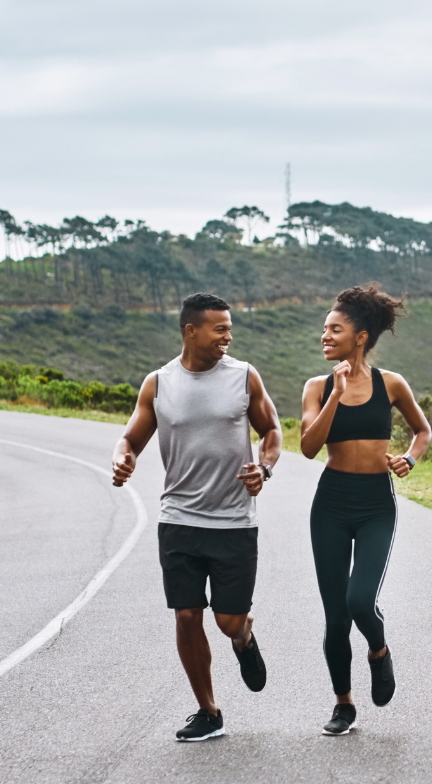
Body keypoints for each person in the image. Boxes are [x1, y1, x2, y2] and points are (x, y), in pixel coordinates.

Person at [112, 292, 285, 742]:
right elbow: (130, 437)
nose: (229, 335)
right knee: (187, 616)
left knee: (227, 621)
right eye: (220, 328)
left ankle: (244, 638)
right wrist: (123, 458)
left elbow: (272, 431)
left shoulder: (244, 377)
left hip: (233, 521)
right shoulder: (158, 383)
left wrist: (263, 468)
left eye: (229, 327)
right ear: (191, 330)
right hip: (179, 519)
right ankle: (208, 711)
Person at [299, 284, 431, 736]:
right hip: (331, 502)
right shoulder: (316, 387)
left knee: (360, 600)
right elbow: (308, 448)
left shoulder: (390, 384)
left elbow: (422, 431)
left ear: (360, 336)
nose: (325, 336)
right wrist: (335, 396)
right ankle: (343, 704)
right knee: (335, 616)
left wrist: (409, 459)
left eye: (335, 329)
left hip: (376, 502)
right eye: (324, 329)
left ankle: (378, 650)